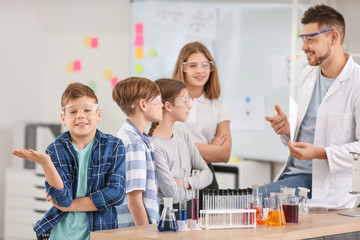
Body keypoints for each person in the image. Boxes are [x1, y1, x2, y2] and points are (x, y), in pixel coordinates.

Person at [262, 4, 360, 209]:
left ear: (333, 38)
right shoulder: (308, 75)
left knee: (247, 200)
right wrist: (289, 130)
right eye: (303, 39)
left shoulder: (356, 83)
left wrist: (320, 153)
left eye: (311, 39)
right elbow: (310, 133)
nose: (303, 47)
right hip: (293, 176)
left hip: (324, 186)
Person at [12, 83, 126, 239]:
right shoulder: (54, 150)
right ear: (63, 118)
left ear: (98, 114)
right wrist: (47, 163)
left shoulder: (114, 146)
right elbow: (62, 200)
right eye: (73, 111)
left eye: (87, 110)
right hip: (62, 235)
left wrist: (72, 206)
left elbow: (116, 194)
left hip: (101, 231)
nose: (80, 115)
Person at [148, 78, 213, 219]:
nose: (189, 106)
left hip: (189, 210)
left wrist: (184, 182)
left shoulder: (183, 134)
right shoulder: (154, 145)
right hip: (167, 214)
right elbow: (173, 195)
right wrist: (195, 189)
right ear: (168, 106)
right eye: (185, 101)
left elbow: (208, 174)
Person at [172, 41, 232, 190]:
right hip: (174, 177)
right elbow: (164, 146)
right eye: (193, 66)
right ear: (183, 69)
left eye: (205, 65)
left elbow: (224, 154)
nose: (200, 70)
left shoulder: (218, 107)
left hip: (206, 179)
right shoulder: (168, 103)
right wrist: (210, 149)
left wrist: (182, 146)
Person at [112, 77, 163, 228]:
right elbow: (134, 203)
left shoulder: (138, 138)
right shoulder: (134, 143)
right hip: (133, 229)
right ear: (143, 104)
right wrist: (147, 235)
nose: (162, 105)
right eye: (158, 100)